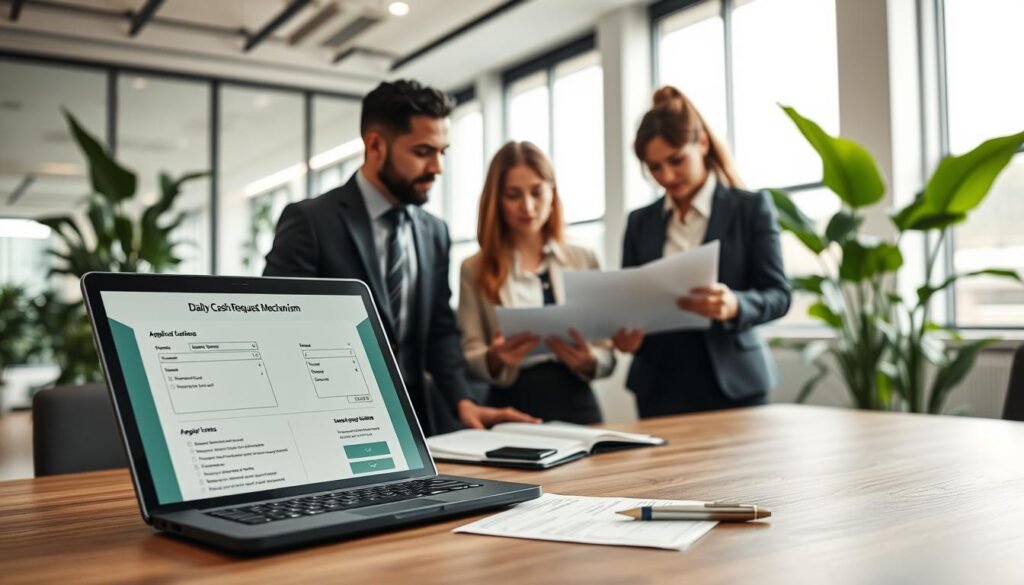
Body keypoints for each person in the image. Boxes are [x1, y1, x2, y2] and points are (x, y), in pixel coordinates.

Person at [263, 79, 540, 435]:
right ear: (375, 145)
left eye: (443, 152)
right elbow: (277, 325)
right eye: (423, 151)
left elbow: (440, 329)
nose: (437, 167)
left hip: (417, 421)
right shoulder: (312, 221)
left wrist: (462, 400)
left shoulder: (434, 231)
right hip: (331, 422)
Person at [613, 86, 791, 417]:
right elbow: (630, 301)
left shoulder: (750, 208)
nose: (666, 176)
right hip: (659, 386)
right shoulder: (640, 222)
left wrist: (735, 304)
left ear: (703, 144)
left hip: (735, 383)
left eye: (676, 160)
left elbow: (779, 295)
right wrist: (625, 336)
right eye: (654, 168)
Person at [458, 141, 615, 424]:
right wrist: (494, 357)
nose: (527, 207)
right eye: (513, 195)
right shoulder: (474, 268)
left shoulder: (584, 258)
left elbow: (606, 351)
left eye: (537, 192)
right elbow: (470, 353)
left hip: (577, 401)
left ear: (552, 193)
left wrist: (590, 361)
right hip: (510, 404)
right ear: (496, 200)